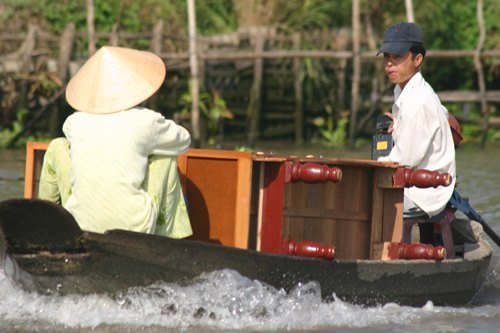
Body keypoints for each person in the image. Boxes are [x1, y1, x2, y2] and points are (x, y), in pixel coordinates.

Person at [38, 46, 193, 239]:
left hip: (77, 224)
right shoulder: (146, 121)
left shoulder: (75, 121)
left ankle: (44, 224)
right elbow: (183, 140)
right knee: (165, 156)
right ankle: (168, 238)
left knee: (57, 146)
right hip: (135, 228)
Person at [376, 22, 456, 223]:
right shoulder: (405, 90)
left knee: (359, 197)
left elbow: (402, 160)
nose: (389, 64)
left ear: (418, 59)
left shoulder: (418, 101)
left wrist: (370, 167)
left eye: (398, 57)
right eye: (387, 57)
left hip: (425, 193)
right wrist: (400, 127)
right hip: (414, 182)